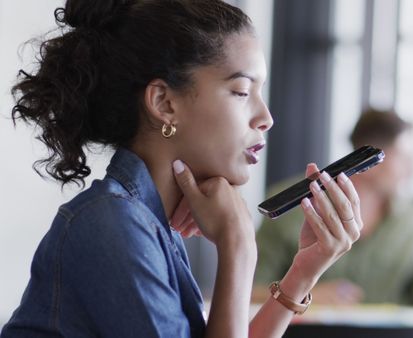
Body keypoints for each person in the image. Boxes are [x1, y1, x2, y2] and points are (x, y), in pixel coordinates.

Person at [1, 1, 363, 337]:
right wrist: (238, 247)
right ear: (164, 102)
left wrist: (302, 273)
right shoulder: (110, 224)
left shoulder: (150, 222)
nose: (266, 118)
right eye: (241, 91)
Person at [252, 109, 413, 305]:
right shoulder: (293, 210)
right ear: (371, 157)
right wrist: (305, 293)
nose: (411, 170)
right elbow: (250, 292)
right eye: (403, 157)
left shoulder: (411, 222)